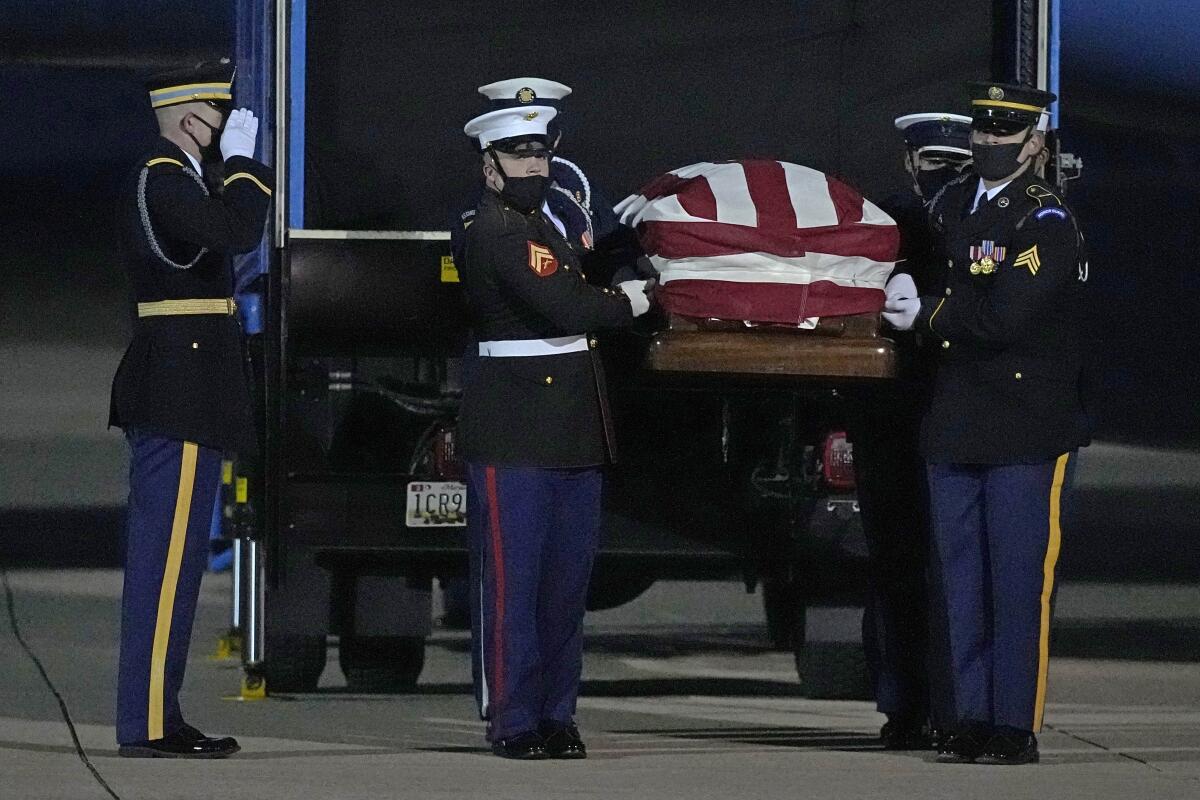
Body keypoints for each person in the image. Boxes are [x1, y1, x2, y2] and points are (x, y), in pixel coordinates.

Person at [883, 81, 1089, 766]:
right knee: (960, 581)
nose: (987, 144)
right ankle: (967, 718)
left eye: (1004, 135)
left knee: (1016, 583)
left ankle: (1012, 725)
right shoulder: (952, 210)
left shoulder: (1045, 221)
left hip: (1025, 426)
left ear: (1033, 144)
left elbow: (1006, 317)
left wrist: (930, 314)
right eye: (981, 133)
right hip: (956, 417)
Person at [458, 103, 653, 759]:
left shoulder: (542, 226)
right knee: (516, 592)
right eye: (519, 158)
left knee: (565, 593)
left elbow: (577, 287)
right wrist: (636, 300)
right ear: (490, 169)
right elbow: (566, 304)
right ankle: (514, 720)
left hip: (570, 430)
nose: (534, 168)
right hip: (516, 434)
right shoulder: (495, 233)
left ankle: (556, 715)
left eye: (540, 156)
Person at [109, 59, 273, 758]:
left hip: (191, 384)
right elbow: (235, 231)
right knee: (163, 564)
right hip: (177, 387)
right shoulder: (163, 177)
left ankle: (160, 716)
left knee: (174, 568)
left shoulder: (178, 178)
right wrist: (243, 168)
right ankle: (147, 723)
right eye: (216, 114)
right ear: (188, 115)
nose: (222, 128)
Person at [854, 112, 973, 750]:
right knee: (897, 562)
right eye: (932, 164)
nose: (941, 178)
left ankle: (952, 706)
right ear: (909, 162)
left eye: (954, 166)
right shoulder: (883, 224)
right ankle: (903, 704)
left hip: (953, 411)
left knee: (950, 565)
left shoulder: (979, 219)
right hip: (892, 414)